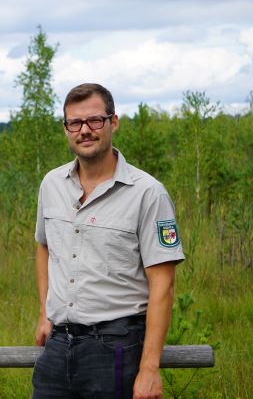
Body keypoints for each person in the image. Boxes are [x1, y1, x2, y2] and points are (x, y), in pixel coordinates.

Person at [31, 83, 184, 399]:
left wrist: (150, 368)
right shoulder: (51, 185)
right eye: (75, 123)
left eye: (94, 121)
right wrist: (45, 314)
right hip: (58, 345)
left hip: (117, 347)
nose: (84, 130)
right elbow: (44, 247)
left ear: (113, 122)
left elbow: (163, 285)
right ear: (66, 129)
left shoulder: (148, 193)